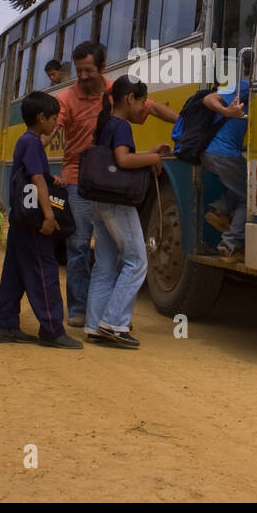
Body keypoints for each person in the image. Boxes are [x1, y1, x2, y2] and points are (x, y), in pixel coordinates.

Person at [54, 41, 177, 327]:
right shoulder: (67, 99)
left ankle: (99, 317)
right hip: (78, 179)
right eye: (78, 71)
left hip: (106, 184)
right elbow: (51, 130)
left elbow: (155, 108)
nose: (83, 76)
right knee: (81, 246)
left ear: (102, 68)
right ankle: (82, 310)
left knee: (107, 258)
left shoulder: (116, 94)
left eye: (88, 70)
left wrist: (183, 124)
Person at [84, 76, 169, 348]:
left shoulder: (107, 123)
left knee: (105, 266)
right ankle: (114, 324)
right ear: (130, 98)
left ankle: (95, 325)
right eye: (142, 102)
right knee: (137, 262)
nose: (144, 108)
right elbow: (123, 160)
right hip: (117, 203)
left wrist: (148, 153)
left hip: (99, 201)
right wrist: (154, 159)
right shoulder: (122, 126)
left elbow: (115, 160)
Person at [0, 92, 82, 349]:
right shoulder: (32, 144)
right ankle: (52, 329)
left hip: (20, 218)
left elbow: (39, 171)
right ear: (42, 117)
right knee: (44, 271)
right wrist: (49, 215)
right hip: (34, 220)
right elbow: (37, 179)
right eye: (54, 118)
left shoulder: (27, 141)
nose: (56, 123)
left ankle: (5, 324)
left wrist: (49, 176)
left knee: (15, 272)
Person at [201, 60, 251, 262]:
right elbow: (209, 99)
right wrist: (227, 112)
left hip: (218, 152)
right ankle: (230, 245)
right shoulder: (245, 85)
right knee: (253, 196)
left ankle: (220, 209)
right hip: (222, 153)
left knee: (243, 184)